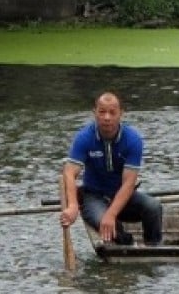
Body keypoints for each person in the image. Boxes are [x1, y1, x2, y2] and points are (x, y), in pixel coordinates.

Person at [60, 92, 163, 247]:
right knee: (105, 224)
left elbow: (129, 183)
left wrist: (112, 213)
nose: (107, 117)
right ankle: (126, 243)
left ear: (121, 114)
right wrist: (73, 206)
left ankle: (153, 248)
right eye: (102, 112)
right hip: (94, 196)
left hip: (123, 195)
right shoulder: (84, 138)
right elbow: (69, 172)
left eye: (112, 112)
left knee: (153, 207)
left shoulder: (132, 139)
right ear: (94, 113)